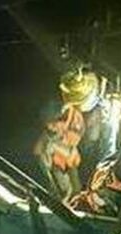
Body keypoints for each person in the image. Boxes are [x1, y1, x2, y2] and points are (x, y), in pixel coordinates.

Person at [36, 68, 106, 202]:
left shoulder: (73, 111)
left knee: (75, 192)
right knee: (67, 195)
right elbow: (50, 144)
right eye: (93, 95)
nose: (96, 99)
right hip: (55, 159)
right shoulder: (58, 114)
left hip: (67, 156)